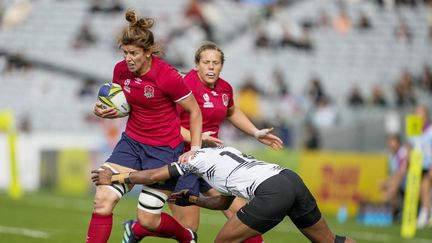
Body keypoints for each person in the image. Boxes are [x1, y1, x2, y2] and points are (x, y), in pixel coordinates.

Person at [121, 42, 284, 242]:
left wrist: (256, 132)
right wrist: (198, 139)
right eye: (206, 62)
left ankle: (136, 229)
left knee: (243, 218)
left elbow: (231, 111)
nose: (211, 66)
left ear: (222, 66)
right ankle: (137, 229)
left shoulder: (224, 88)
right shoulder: (185, 85)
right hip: (181, 159)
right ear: (196, 64)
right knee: (189, 231)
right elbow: (167, 124)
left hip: (210, 162)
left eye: (215, 63)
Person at [86, 9, 202, 243]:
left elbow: (195, 111)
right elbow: (124, 105)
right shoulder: (120, 70)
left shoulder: (167, 76)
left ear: (148, 52)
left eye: (134, 53)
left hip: (163, 151)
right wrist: (102, 111)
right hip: (131, 144)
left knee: (148, 220)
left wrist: (195, 149)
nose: (128, 58)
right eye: (126, 52)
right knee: (103, 199)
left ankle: (186, 237)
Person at [92, 146, 356, 243]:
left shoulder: (193, 159)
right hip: (289, 179)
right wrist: (193, 200)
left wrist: (115, 177)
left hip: (272, 190)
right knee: (330, 241)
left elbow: (151, 176)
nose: (180, 158)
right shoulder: (222, 157)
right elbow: (223, 201)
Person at [409, 104, 432, 228]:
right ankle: (425, 212)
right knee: (422, 190)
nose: (418, 115)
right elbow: (412, 146)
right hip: (419, 164)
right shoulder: (414, 130)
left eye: (420, 113)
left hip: (430, 163)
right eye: (416, 113)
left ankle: (425, 213)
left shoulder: (430, 129)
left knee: (426, 189)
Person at [380, 134, 408, 222]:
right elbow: (394, 173)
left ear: (398, 142)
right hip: (400, 181)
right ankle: (395, 212)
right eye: (389, 142)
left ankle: (396, 212)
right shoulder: (393, 156)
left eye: (392, 142)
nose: (390, 144)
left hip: (406, 181)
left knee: (392, 188)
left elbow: (402, 171)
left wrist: (392, 183)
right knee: (383, 185)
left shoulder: (403, 152)